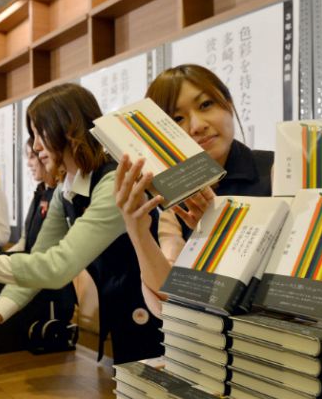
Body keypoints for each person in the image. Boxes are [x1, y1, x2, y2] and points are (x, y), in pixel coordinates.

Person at [0, 83, 163, 364]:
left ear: (67, 128)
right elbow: (37, 260)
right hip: (121, 312)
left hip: (154, 313)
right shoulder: (66, 189)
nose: (36, 147)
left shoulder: (112, 183)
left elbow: (57, 268)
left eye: (39, 134)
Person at [114, 64, 274, 314]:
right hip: (206, 343)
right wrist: (138, 232)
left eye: (206, 105)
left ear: (228, 103)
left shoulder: (275, 171)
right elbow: (166, 304)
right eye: (177, 119)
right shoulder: (176, 195)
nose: (197, 125)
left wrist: (220, 231)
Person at [7, 137, 77, 339]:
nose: (29, 163)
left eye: (32, 156)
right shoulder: (41, 192)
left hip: (52, 289)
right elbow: (26, 242)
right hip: (32, 280)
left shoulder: (63, 193)